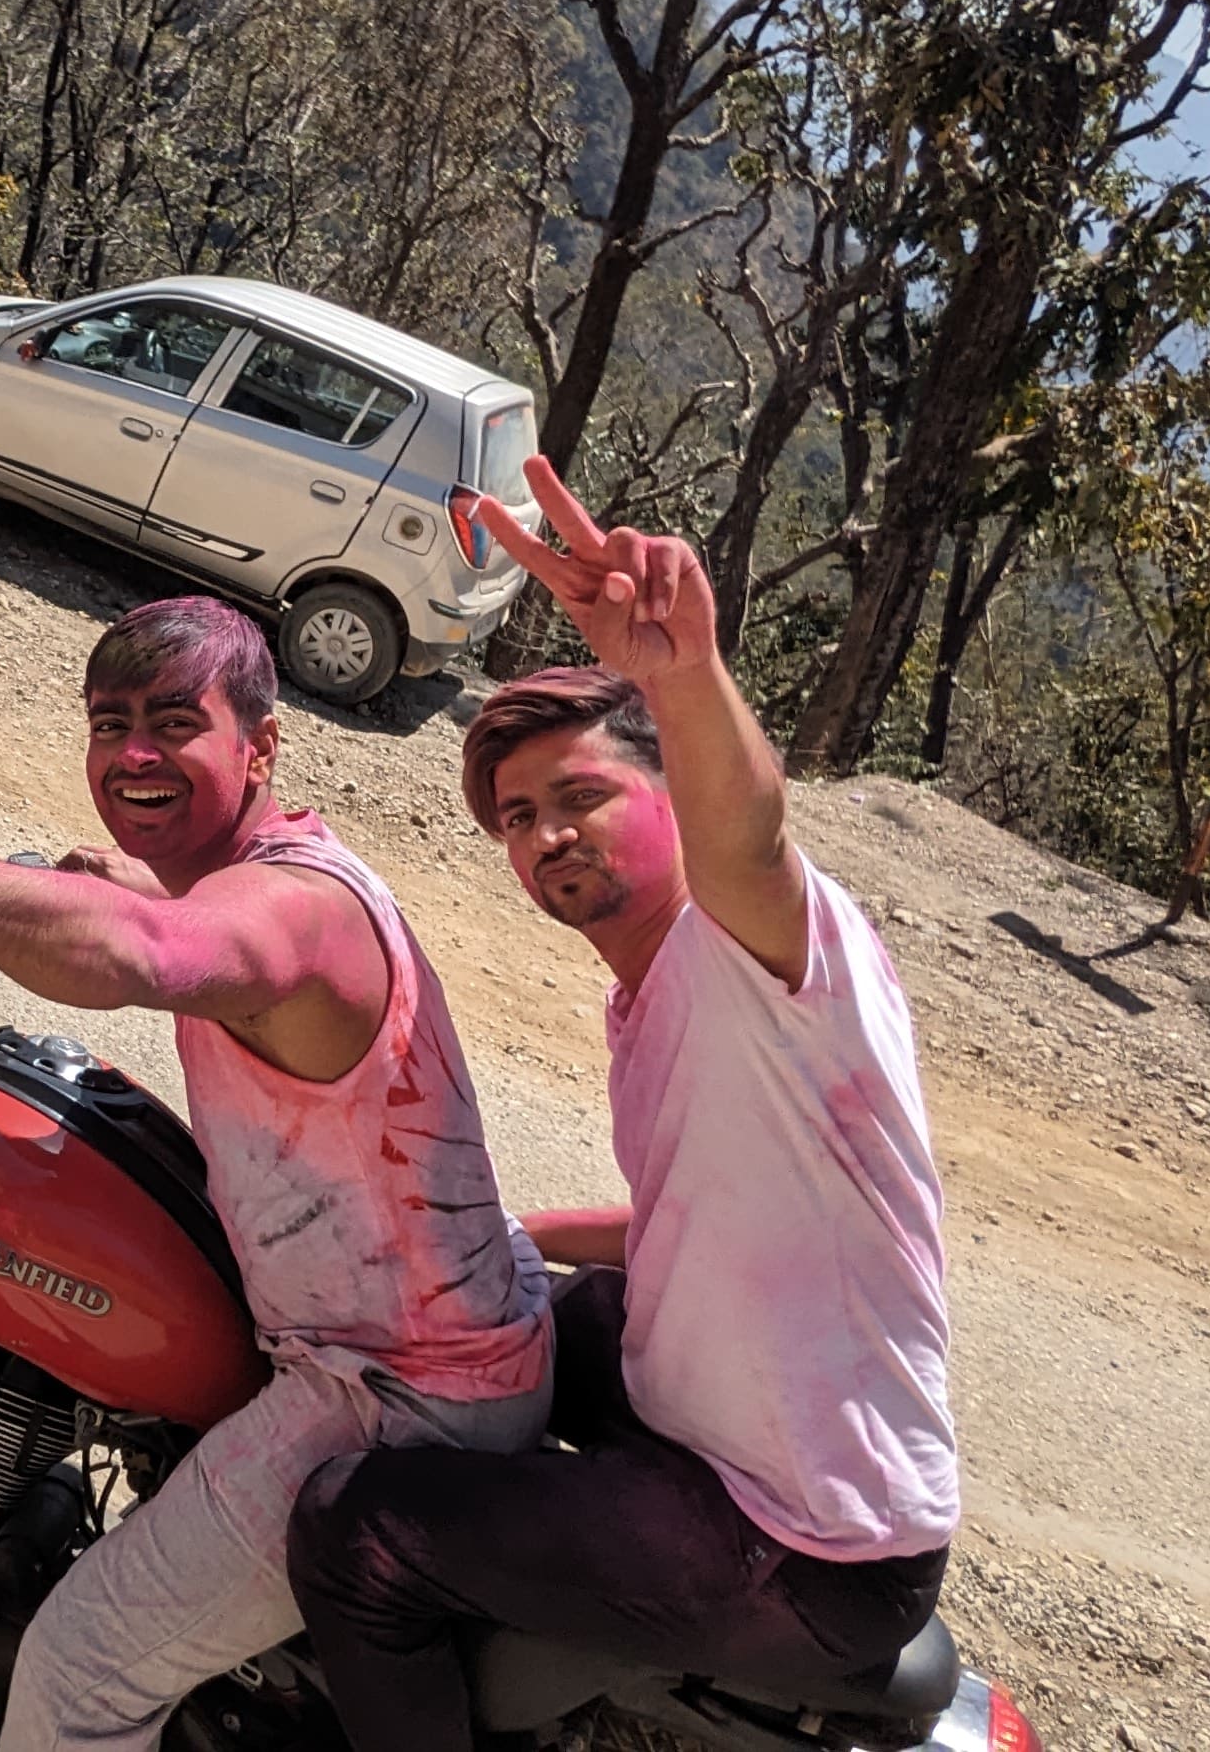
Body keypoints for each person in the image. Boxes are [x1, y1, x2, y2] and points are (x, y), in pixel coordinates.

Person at [0, 596, 554, 1752]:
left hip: (393, 1396)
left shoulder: (299, 913)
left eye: (174, 723)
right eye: (110, 723)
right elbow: (182, 924)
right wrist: (120, 887)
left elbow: (161, 955)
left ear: (262, 745)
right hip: (444, 1337)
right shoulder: (272, 873)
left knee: (78, 1675)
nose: (134, 753)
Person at [284, 458, 956, 1749]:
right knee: (500, 1314)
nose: (547, 835)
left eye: (584, 795)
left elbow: (750, 835)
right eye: (521, 817)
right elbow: (690, 1217)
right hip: (729, 1424)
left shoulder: (763, 949)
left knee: (352, 1533)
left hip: (802, 1534)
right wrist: (514, 1238)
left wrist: (682, 675)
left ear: (665, 791)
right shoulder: (646, 1000)